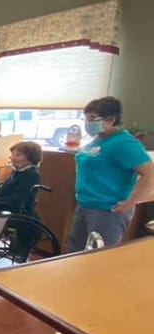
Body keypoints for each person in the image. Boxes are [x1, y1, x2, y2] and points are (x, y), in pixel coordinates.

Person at [66, 96, 154, 252]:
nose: (88, 123)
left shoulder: (123, 142)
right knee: (75, 253)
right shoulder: (99, 139)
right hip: (85, 204)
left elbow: (149, 173)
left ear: (111, 119)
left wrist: (130, 202)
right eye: (86, 118)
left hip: (107, 210)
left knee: (98, 254)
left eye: (92, 119)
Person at [0, 141, 42, 214]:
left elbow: (16, 200)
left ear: (31, 158)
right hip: (1, 208)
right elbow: (2, 188)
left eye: (18, 155)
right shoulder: (19, 171)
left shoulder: (31, 175)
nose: (12, 158)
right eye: (12, 154)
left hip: (14, 214)